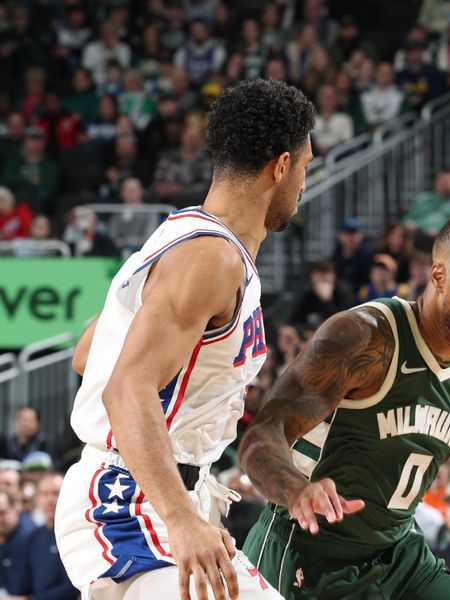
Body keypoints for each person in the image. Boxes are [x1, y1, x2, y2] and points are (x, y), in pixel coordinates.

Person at [54, 79, 317, 600]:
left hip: (165, 493)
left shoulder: (181, 240)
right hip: (131, 501)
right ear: (281, 166)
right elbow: (125, 386)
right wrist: (179, 517)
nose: (305, 183)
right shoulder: (209, 258)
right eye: (306, 168)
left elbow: (90, 354)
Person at [238, 212, 450, 599]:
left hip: (400, 551)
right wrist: (296, 490)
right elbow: (261, 437)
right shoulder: (365, 337)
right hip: (309, 550)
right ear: (439, 277)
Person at [12, 471, 79, 598]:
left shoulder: (77, 533)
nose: (50, 499)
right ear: (37, 498)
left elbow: (73, 587)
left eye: (56, 493)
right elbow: (24, 584)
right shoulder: (33, 538)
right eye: (44, 494)